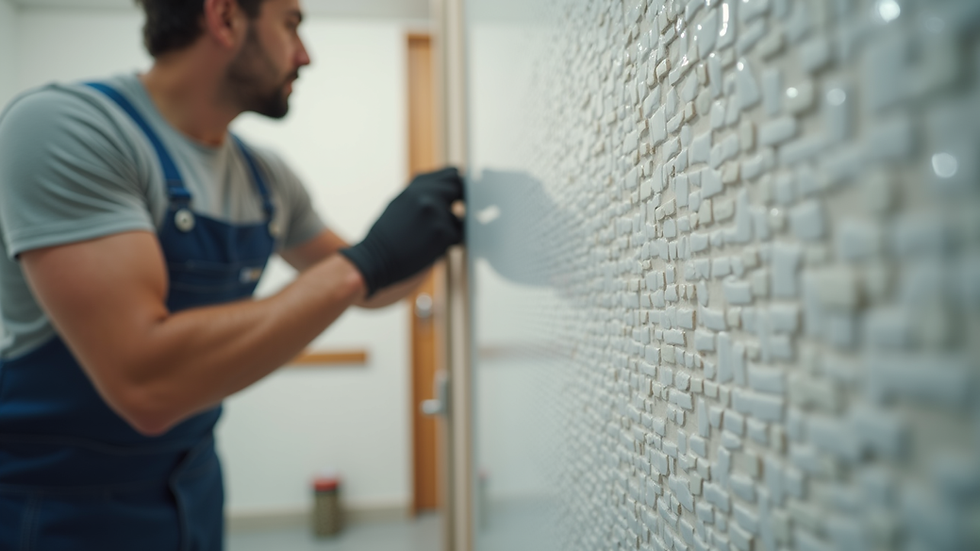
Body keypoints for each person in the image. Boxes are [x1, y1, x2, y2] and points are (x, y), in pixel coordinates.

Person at [0, 0, 464, 548]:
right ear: (224, 18)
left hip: (193, 485)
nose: (305, 55)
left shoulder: (264, 177)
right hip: (56, 503)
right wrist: (368, 262)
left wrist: (443, 232)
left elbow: (368, 285)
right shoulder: (68, 129)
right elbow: (144, 381)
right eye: (291, 24)